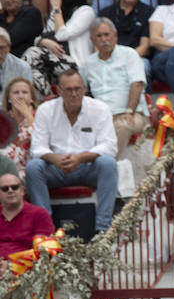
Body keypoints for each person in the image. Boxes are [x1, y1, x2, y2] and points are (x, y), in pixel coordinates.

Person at [25, 68, 117, 232]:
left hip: (88, 166)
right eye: (68, 90)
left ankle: (103, 229)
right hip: (56, 167)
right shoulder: (46, 109)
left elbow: (109, 145)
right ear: (59, 90)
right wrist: (56, 160)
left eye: (77, 89)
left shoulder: (100, 108)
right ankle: (46, 229)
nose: (74, 94)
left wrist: (80, 158)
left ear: (84, 89)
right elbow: (37, 148)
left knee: (108, 163)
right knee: (33, 167)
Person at [79, 18, 149, 156]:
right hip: (101, 117)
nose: (104, 39)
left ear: (115, 36)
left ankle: (104, 166)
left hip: (133, 114)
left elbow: (137, 85)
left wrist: (129, 111)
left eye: (107, 34)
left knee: (122, 126)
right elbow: (79, 89)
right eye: (99, 36)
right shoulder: (88, 63)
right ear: (92, 40)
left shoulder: (129, 54)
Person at [0, 168, 51, 258]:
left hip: (26, 267)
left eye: (15, 187)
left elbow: (43, 251)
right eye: (5, 189)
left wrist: (11, 264)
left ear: (22, 191)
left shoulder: (40, 214)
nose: (10, 191)